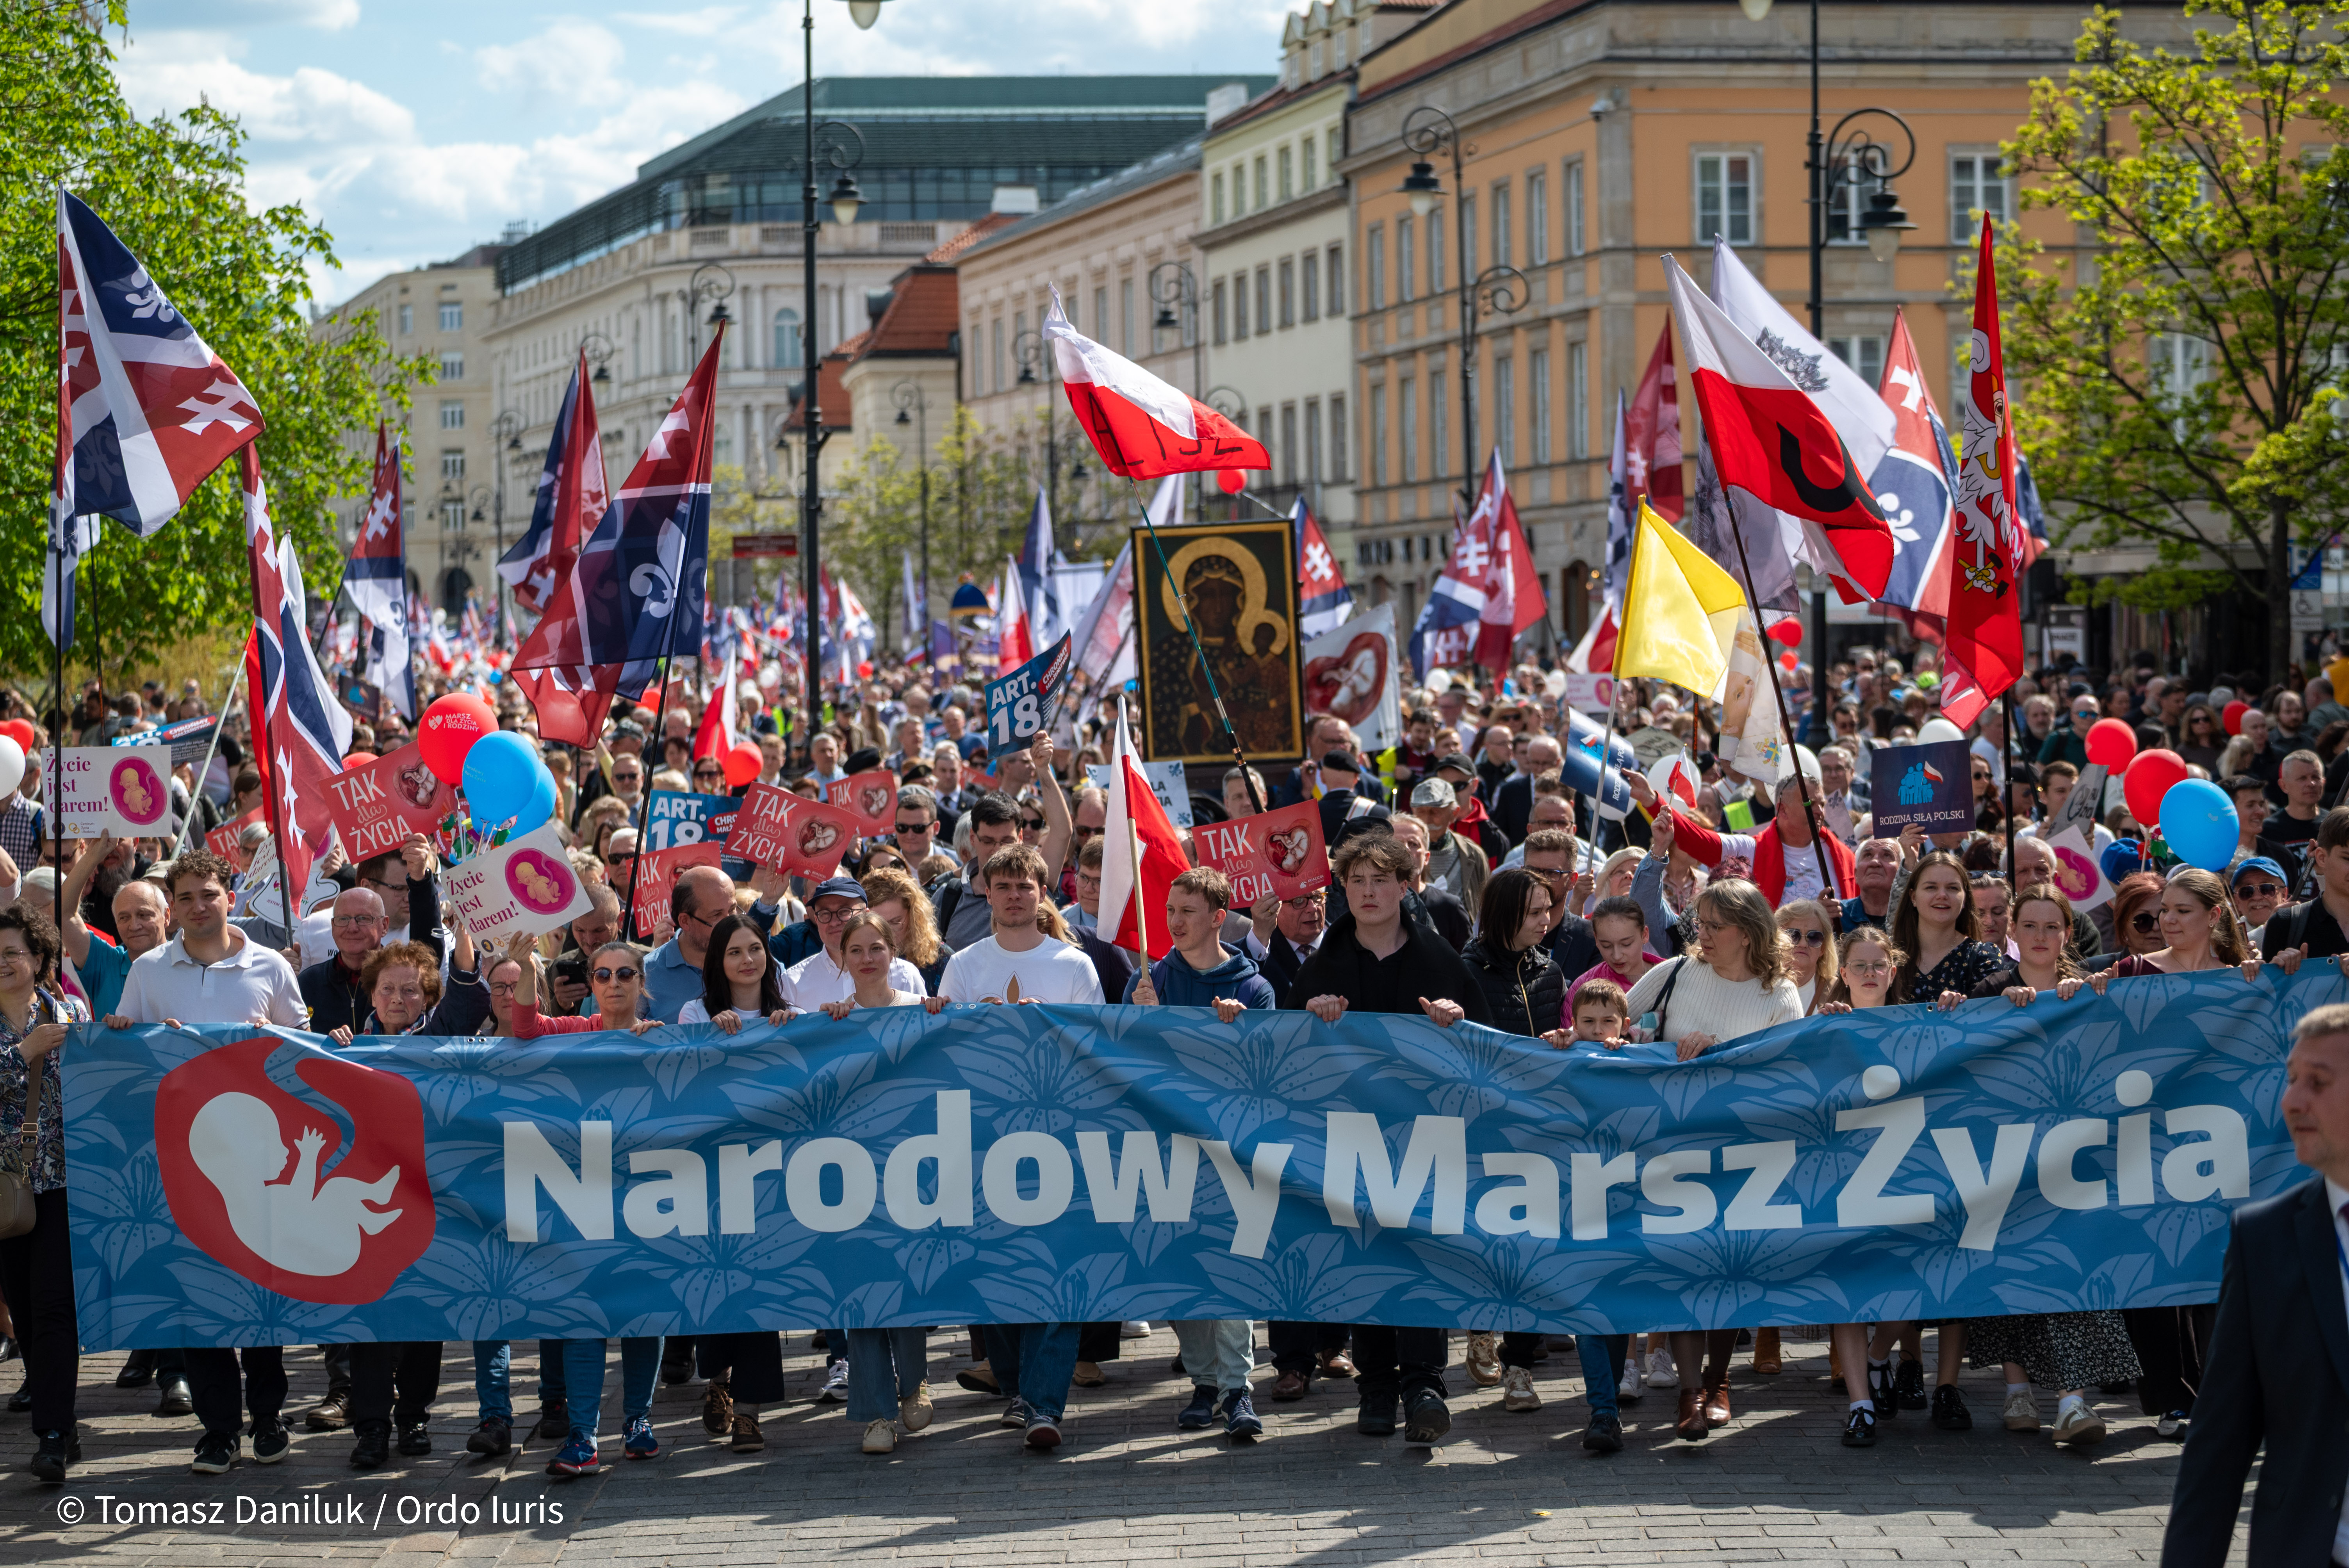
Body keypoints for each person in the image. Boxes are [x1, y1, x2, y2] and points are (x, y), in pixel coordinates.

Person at [106, 850, 308, 1476]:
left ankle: (268, 1417)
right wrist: (126, 1034)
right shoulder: (147, 970)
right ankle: (218, 1429)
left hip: (261, 1164)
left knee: (260, 1293)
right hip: (183, 1163)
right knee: (197, 1298)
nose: (199, 907)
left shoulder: (271, 966)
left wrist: (278, 1039)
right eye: (187, 897)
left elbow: (306, 1055)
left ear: (231, 898)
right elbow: (129, 1064)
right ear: (173, 907)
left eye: (210, 894)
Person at [1283, 832, 1488, 1447]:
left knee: (1421, 1258)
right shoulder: (1322, 966)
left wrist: (1457, 1024)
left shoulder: (1441, 961)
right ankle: (1375, 1389)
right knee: (1365, 1261)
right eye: (1357, 882)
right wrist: (1310, 1020)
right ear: (1343, 890)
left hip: (1425, 1140)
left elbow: (1487, 1047)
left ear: (1405, 886)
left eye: (1381, 881)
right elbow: (1282, 1058)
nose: (1369, 893)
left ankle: (1424, 1385)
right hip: (1350, 1142)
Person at [1932, 884, 2143, 1447]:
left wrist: (2086, 1000)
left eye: (2053, 926)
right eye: (2030, 925)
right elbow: (1957, 1052)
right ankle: (2017, 1391)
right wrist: (1970, 1009)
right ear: (2012, 932)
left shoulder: (2090, 988)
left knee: (2070, 1269)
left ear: (2068, 933)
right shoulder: (1990, 989)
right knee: (2009, 1272)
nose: (2041, 936)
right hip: (2003, 1159)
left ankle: (2072, 1400)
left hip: (2073, 1158)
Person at [2160, 1001, 2349, 1567]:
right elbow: (2220, 1440)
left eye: (2318, 1082)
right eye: (2291, 1080)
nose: (2292, 1101)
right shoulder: (2265, 1238)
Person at [1621, 879, 1802, 1441]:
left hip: (1744, 1153)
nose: (1702, 934)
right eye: (1699, 922)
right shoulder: (1674, 973)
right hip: (1670, 1148)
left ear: (1747, 933)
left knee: (1729, 1272)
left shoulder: (1780, 995)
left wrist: (1721, 1055)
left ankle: (1717, 1382)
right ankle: (1687, 1392)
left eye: (1715, 925)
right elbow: (1607, 1027)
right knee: (1682, 1269)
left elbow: (1788, 1080)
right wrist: (1635, 1043)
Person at [1123, 869, 1271, 1444]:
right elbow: (1125, 1063)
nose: (1175, 922)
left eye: (1187, 911)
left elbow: (1268, 1068)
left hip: (1234, 1148)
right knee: (1180, 1267)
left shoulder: (1254, 988)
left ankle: (1237, 1388)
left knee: (1232, 1268)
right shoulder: (1150, 979)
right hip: (1167, 1149)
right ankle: (1203, 1381)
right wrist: (1140, 1019)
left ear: (1218, 918)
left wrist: (1241, 1031)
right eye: (1169, 911)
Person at [508, 934, 665, 1475]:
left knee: (643, 1312)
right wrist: (523, 966)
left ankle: (638, 1422)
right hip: (579, 1194)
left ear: (642, 983)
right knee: (582, 1313)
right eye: (603, 975)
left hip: (646, 1194)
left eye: (625, 974)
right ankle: (583, 1436)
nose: (614, 983)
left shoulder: (662, 1038)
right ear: (591, 984)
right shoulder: (575, 1030)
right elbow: (525, 1027)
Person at [803, 911, 943, 1453]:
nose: (867, 959)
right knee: (860, 1291)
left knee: (906, 1282)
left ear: (893, 953)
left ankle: (914, 1383)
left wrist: (950, 1014)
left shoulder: (922, 1010)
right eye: (856, 950)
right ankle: (876, 1414)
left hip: (913, 1169)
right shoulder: (831, 1023)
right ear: (842, 958)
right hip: (850, 1175)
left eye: (876, 948)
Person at [1814, 925, 1920, 1445]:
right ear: (1843, 972)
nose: (1870, 973)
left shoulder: (1920, 1025)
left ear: (1893, 971)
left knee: (1911, 1287)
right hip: (1843, 1180)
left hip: (1908, 1177)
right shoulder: (1824, 1025)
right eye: (1860, 965)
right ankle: (1861, 1405)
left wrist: (1954, 1012)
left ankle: (1880, 1356)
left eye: (1879, 964)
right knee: (1848, 1292)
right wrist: (1822, 1029)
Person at [0, 905, 88, 1483]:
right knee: (25, 1311)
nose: (3, 963)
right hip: (4, 1189)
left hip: (63, 1184)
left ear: (38, 958)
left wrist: (123, 1032)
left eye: (12, 952)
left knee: (55, 1305)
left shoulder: (70, 1012)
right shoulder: (32, 1031)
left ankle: (53, 1432)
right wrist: (24, 1051)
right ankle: (61, 1421)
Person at [939, 846, 1106, 1007]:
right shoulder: (961, 965)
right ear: (989, 895)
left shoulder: (1077, 966)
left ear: (1042, 894)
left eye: (1025, 887)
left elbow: (1092, 1027)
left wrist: (1045, 1017)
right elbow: (948, 1026)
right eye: (1003, 887)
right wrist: (984, 1018)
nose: (1014, 896)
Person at [54, 832, 169, 1024]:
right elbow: (64, 914)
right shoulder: (105, 965)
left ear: (167, 916)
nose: (134, 925)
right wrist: (93, 855)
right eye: (124, 918)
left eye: (144, 915)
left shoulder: (188, 965)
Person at [783, 877, 928, 1011]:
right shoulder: (792, 983)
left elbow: (924, 1026)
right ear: (816, 919)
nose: (834, 922)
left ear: (866, 913)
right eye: (825, 914)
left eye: (845, 911)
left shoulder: (906, 976)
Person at [1775, 898, 1841, 1015]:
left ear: (1823, 949)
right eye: (1793, 935)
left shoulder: (1838, 991)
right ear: (1777, 941)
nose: (1803, 944)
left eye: (1814, 938)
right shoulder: (1758, 985)